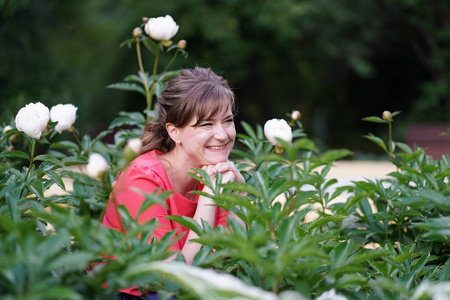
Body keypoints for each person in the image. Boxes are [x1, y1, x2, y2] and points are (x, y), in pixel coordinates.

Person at [102, 67, 245, 299]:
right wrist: (210, 198)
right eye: (206, 124)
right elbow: (170, 280)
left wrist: (239, 194)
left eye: (227, 121)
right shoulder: (142, 179)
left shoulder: (212, 171)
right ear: (174, 132)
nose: (222, 134)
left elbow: (236, 256)